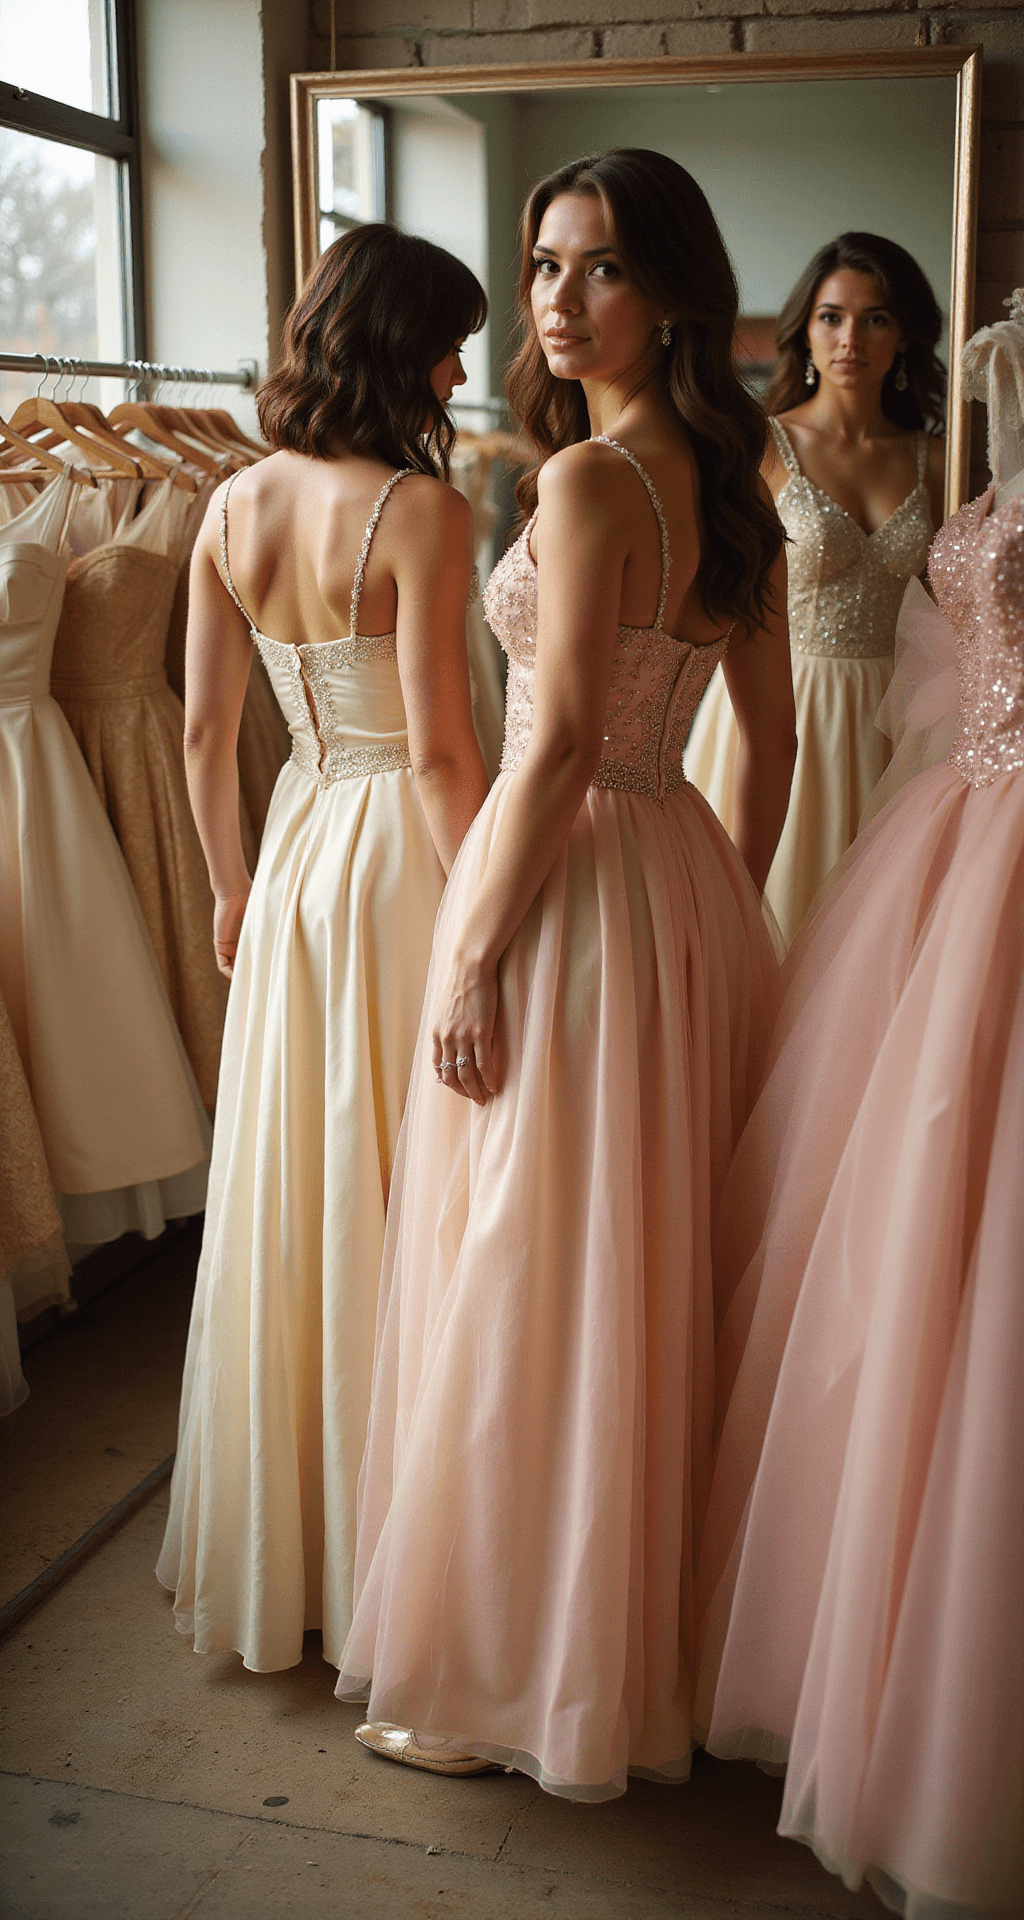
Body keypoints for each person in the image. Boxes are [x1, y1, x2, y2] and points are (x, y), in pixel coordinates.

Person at [337, 149, 796, 1798]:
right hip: (668, 881)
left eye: (595, 267)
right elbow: (774, 747)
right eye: (540, 262)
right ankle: (623, 1651)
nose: (553, 296)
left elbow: (537, 760)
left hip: (573, 881)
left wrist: (467, 955)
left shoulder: (592, 485)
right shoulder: (732, 491)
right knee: (642, 1266)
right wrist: (717, 919)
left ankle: (505, 1682)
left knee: (526, 1271)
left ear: (670, 290)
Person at [694, 292, 1024, 1917]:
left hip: (975, 862)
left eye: (862, 312)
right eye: (819, 312)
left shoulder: (943, 433)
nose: (842, 332)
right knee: (884, 1210)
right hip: (930, 826)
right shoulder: (974, 387)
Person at [156, 225, 491, 1672]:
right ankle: (393, 1563)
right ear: (397, 345)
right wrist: (494, 898)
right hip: (395, 862)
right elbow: (437, 753)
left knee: (302, 1183)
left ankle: (294, 1554)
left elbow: (201, 731)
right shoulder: (419, 509)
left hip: (294, 850)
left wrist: (232, 890)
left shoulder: (229, 504)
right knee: (405, 1180)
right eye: (450, 338)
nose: (465, 366)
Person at [685, 233, 946, 944]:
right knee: (766, 924)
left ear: (906, 337)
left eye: (875, 319)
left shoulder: (937, 460)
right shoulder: (759, 447)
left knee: (875, 940)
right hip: (778, 698)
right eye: (831, 317)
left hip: (894, 717)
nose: (850, 339)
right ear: (803, 330)